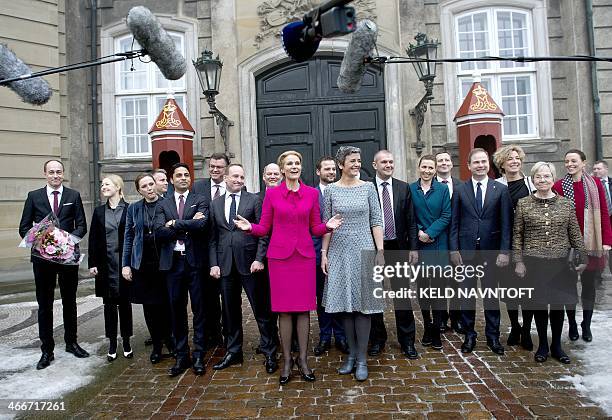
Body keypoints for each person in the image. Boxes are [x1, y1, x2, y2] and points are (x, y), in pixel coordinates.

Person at [234, 150, 342, 385]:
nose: (294, 166)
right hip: (280, 259)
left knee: (303, 310)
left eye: (297, 163)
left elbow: (314, 228)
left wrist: (328, 226)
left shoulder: (312, 194)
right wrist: (249, 227)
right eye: (289, 164)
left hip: (303, 257)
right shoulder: (272, 195)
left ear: (301, 167)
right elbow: (264, 228)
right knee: (284, 311)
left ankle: (303, 360)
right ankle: (286, 362)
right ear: (282, 169)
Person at [320, 146, 383, 382]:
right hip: (338, 251)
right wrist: (324, 253)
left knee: (363, 306)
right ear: (340, 165)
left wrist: (380, 251)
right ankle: (350, 357)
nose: (357, 164)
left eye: (359, 160)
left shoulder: (368, 188)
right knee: (344, 306)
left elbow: (376, 220)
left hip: (364, 249)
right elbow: (327, 224)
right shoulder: (331, 191)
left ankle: (362, 359)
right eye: (352, 161)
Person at [513, 162, 587, 364]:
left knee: (557, 306)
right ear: (533, 179)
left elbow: (575, 233)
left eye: (546, 176)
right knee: (538, 305)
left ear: (553, 179)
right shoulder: (524, 203)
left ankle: (556, 345)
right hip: (534, 263)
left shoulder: (566, 204)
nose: (542, 180)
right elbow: (518, 235)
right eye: (538, 177)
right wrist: (518, 261)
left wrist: (582, 256)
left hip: (560, 264)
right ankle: (543, 345)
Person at [19, 160, 89, 370]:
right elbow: (24, 227)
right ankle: (46, 349)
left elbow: (82, 225)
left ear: (63, 174)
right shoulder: (34, 196)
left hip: (68, 259)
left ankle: (71, 342)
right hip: (42, 260)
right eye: (51, 172)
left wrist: (67, 242)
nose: (55, 175)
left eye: (59, 172)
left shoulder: (73, 196)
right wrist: (43, 243)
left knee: (70, 301)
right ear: (45, 174)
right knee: (45, 304)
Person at [208, 164, 278, 373]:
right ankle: (234, 351)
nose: (239, 180)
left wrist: (259, 259)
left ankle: (269, 351)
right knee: (230, 312)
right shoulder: (215, 204)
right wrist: (213, 263)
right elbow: (213, 238)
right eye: (235, 176)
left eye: (242, 176)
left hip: (251, 264)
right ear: (226, 178)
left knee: (261, 310)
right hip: (226, 265)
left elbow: (263, 232)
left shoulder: (254, 200)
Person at [450, 148, 513, 355]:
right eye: (476, 162)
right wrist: (454, 250)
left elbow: (506, 224)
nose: (480, 165)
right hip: (466, 252)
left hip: (491, 252)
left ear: (489, 164)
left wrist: (504, 251)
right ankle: (469, 335)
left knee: (490, 295)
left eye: (483, 162)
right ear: (469, 166)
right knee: (466, 295)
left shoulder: (500, 190)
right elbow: (454, 223)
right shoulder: (460, 189)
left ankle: (493, 337)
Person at [155, 163, 209, 377]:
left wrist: (174, 223)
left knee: (199, 310)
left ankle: (198, 355)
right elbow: (159, 232)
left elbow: (202, 226)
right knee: (176, 310)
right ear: (171, 179)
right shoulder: (163, 203)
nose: (184, 178)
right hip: (173, 264)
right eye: (179, 175)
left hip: (195, 263)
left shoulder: (200, 200)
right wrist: (187, 223)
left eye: (187, 175)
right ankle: (181, 355)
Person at [552, 149, 612, 342]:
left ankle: (586, 324)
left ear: (583, 163)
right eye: (567, 161)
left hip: (591, 242)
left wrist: (606, 241)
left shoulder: (594, 185)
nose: (570, 164)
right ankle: (572, 324)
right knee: (568, 287)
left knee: (589, 286)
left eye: (574, 161)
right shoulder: (559, 186)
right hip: (567, 243)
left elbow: (603, 212)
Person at [368, 150, 419, 359]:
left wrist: (414, 248)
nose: (389, 165)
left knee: (403, 296)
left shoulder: (403, 187)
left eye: (391, 161)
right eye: (384, 162)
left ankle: (407, 341)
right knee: (374, 296)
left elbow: (411, 221)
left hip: (398, 247)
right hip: (372, 248)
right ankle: (377, 339)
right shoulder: (366, 187)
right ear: (374, 165)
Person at [122, 173, 174, 364]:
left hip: (164, 261)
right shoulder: (134, 209)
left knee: (166, 304)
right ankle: (157, 346)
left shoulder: (167, 204)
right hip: (143, 264)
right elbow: (128, 237)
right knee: (150, 307)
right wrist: (126, 264)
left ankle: (171, 341)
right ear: (139, 190)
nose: (149, 188)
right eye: (144, 186)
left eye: (151, 184)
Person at [493, 145, 536, 351]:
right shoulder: (496, 185)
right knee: (509, 289)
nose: (514, 161)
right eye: (510, 158)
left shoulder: (530, 183)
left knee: (526, 288)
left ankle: (527, 329)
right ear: (502, 163)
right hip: (505, 243)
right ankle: (515, 326)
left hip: (527, 243)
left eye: (517, 158)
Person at [410, 155, 451, 351]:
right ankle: (427, 326)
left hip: (437, 244)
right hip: (419, 245)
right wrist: (419, 231)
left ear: (435, 170)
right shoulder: (411, 189)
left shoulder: (442, 189)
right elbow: (408, 215)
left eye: (430, 167)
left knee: (439, 291)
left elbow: (446, 215)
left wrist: (430, 233)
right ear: (418, 168)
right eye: (424, 166)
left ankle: (437, 328)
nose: (427, 170)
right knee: (423, 290)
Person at [88, 175, 131, 362]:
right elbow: (93, 239)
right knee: (109, 307)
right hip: (106, 267)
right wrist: (92, 263)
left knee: (125, 304)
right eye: (102, 184)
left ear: (118, 187)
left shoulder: (130, 210)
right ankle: (112, 342)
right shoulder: (98, 212)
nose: (103, 187)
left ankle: (127, 341)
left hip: (124, 266)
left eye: (107, 184)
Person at [191, 153, 232, 349]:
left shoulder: (234, 186)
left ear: (226, 169)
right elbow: (191, 212)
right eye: (212, 166)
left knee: (226, 294)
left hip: (224, 250)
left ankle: (228, 333)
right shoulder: (198, 187)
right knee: (207, 295)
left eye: (219, 167)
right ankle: (212, 333)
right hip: (202, 249)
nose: (215, 170)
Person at [312, 156, 348, 356]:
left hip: (342, 249)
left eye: (333, 169)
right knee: (322, 295)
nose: (331, 172)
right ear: (318, 172)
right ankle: (325, 335)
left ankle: (341, 335)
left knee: (339, 292)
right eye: (327, 169)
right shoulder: (311, 194)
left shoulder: (344, 190)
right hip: (319, 251)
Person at [435, 151, 463, 334]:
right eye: (440, 161)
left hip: (457, 240)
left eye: (447, 160)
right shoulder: (428, 184)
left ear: (452, 164)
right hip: (436, 239)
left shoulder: (461, 185)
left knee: (456, 280)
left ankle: (456, 316)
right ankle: (441, 317)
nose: (444, 163)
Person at [591, 160, 612, 275]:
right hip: (599, 222)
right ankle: (597, 275)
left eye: (598, 169)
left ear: (606, 169)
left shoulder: (610, 183)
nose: (596, 171)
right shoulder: (591, 184)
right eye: (594, 169)